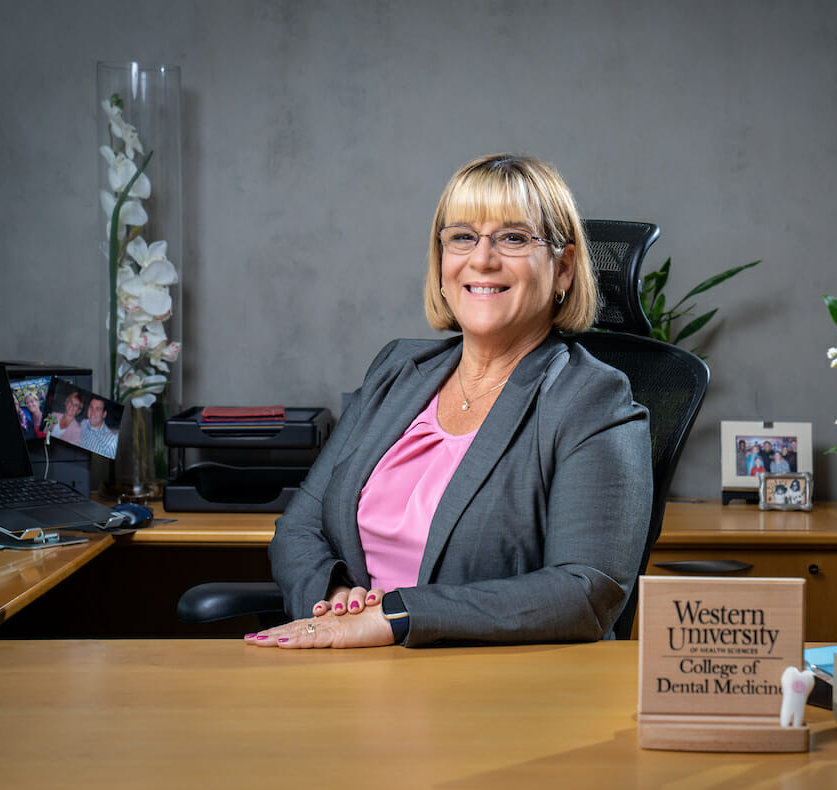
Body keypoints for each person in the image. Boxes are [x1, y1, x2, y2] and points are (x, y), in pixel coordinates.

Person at [248, 154, 653, 650]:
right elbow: (301, 525)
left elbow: (586, 592)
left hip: (495, 693)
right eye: (462, 237)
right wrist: (334, 603)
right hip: (347, 669)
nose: (482, 259)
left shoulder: (592, 402)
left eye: (513, 238)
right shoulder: (398, 370)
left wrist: (395, 617)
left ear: (564, 268)